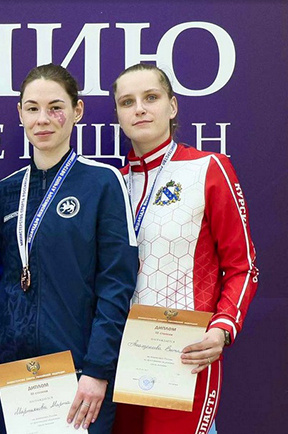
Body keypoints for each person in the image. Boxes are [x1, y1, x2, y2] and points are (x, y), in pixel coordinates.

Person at [110, 63, 259, 434]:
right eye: (127, 102)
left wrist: (222, 328)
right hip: (120, 357)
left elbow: (242, 266)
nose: (139, 109)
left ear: (172, 106)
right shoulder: (112, 183)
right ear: (118, 115)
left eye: (151, 97)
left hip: (184, 355)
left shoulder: (209, 167)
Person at [0, 63, 139, 433]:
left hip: (80, 376)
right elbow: (0, 282)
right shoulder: (4, 191)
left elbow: (117, 284)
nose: (42, 119)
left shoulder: (102, 182)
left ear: (77, 110)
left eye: (55, 107)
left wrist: (97, 370)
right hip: (17, 376)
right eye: (32, 108)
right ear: (20, 113)